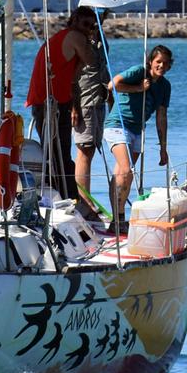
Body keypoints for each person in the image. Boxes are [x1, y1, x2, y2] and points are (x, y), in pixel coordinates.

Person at [28, 7, 95, 197]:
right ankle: (68, 197)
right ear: (74, 21)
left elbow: (72, 79)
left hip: (53, 102)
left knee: (57, 154)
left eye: (91, 26)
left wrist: (74, 106)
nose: (88, 29)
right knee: (58, 155)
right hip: (50, 103)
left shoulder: (64, 38)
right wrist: (92, 39)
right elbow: (92, 60)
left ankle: (61, 193)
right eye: (85, 24)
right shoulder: (75, 36)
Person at [106, 45, 174, 234]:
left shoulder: (165, 86)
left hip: (137, 130)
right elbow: (113, 84)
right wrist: (138, 88)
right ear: (151, 62)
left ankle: (116, 219)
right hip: (118, 125)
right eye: (158, 61)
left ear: (170, 66)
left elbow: (162, 117)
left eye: (165, 63)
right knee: (126, 170)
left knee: (123, 174)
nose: (161, 65)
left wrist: (163, 147)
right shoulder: (139, 72)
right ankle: (119, 218)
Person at [69, 13, 113, 224]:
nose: (94, 25)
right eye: (89, 23)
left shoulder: (99, 37)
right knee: (84, 149)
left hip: (98, 98)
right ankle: (83, 200)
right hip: (84, 100)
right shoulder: (77, 40)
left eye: (97, 21)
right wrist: (74, 106)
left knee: (91, 148)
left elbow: (103, 67)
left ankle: (86, 195)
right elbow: (72, 76)